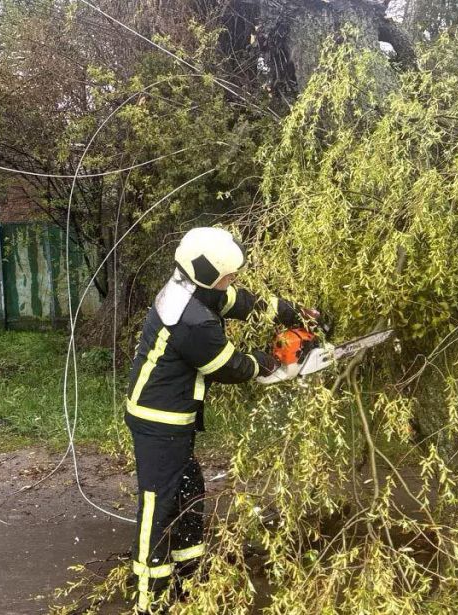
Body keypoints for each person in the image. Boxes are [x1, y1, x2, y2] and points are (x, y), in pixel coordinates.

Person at [124, 227, 316, 614]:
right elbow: (228, 366)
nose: (232, 280)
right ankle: (150, 597)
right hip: (159, 418)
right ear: (208, 272)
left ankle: (188, 575)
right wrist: (268, 363)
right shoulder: (192, 320)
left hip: (174, 414)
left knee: (189, 490)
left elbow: (241, 302)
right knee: (158, 504)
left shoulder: (192, 286)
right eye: (228, 275)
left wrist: (289, 312)